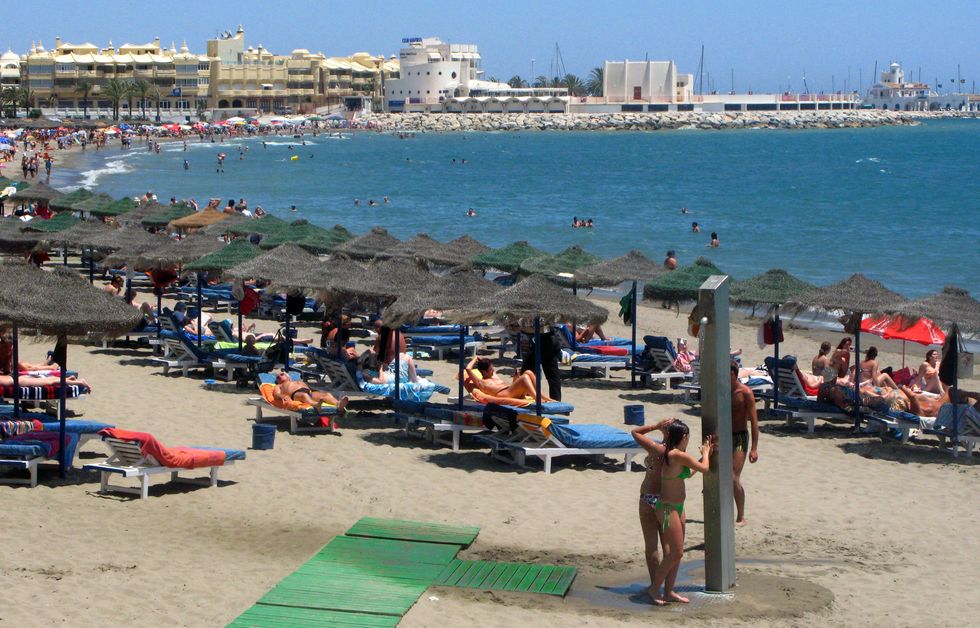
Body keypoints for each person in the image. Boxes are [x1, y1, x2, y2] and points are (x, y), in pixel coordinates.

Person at [649, 421, 715, 606]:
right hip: (668, 508)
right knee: (676, 553)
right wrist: (705, 454)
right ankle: (655, 589)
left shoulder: (677, 456)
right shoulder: (676, 455)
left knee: (676, 553)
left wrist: (705, 455)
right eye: (687, 437)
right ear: (683, 437)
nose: (688, 440)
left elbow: (690, 472)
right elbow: (704, 469)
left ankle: (669, 591)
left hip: (678, 507)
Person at [631, 417, 676, 602]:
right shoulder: (676, 452)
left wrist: (655, 426)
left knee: (652, 546)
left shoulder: (657, 449)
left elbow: (635, 432)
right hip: (664, 500)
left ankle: (654, 585)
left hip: (648, 498)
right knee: (668, 547)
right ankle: (664, 587)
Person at [731, 360, 759, 526]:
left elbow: (754, 422)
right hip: (724, 436)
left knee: (733, 477)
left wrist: (754, 448)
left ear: (734, 374)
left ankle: (741, 516)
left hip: (740, 437)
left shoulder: (745, 393)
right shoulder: (721, 391)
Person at [464, 356, 555, 402]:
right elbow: (468, 368)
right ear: (484, 372)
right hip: (505, 394)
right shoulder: (481, 382)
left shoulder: (493, 375)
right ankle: (537, 398)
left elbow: (512, 386)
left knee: (528, 372)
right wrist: (475, 358)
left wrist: (516, 378)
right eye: (491, 369)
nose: (493, 370)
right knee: (524, 377)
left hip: (512, 391)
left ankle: (544, 397)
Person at [272, 370, 348, 413]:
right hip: (295, 394)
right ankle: (315, 405)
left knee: (326, 395)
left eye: (282, 374)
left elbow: (308, 388)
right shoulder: (279, 386)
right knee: (304, 395)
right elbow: (276, 394)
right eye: (278, 377)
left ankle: (338, 404)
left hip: (309, 393)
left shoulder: (297, 381)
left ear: (288, 376)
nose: (279, 377)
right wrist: (284, 396)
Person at [520, 326, 562, 401]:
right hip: (540, 343)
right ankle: (526, 397)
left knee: (552, 375)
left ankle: (556, 401)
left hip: (548, 343)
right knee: (527, 371)